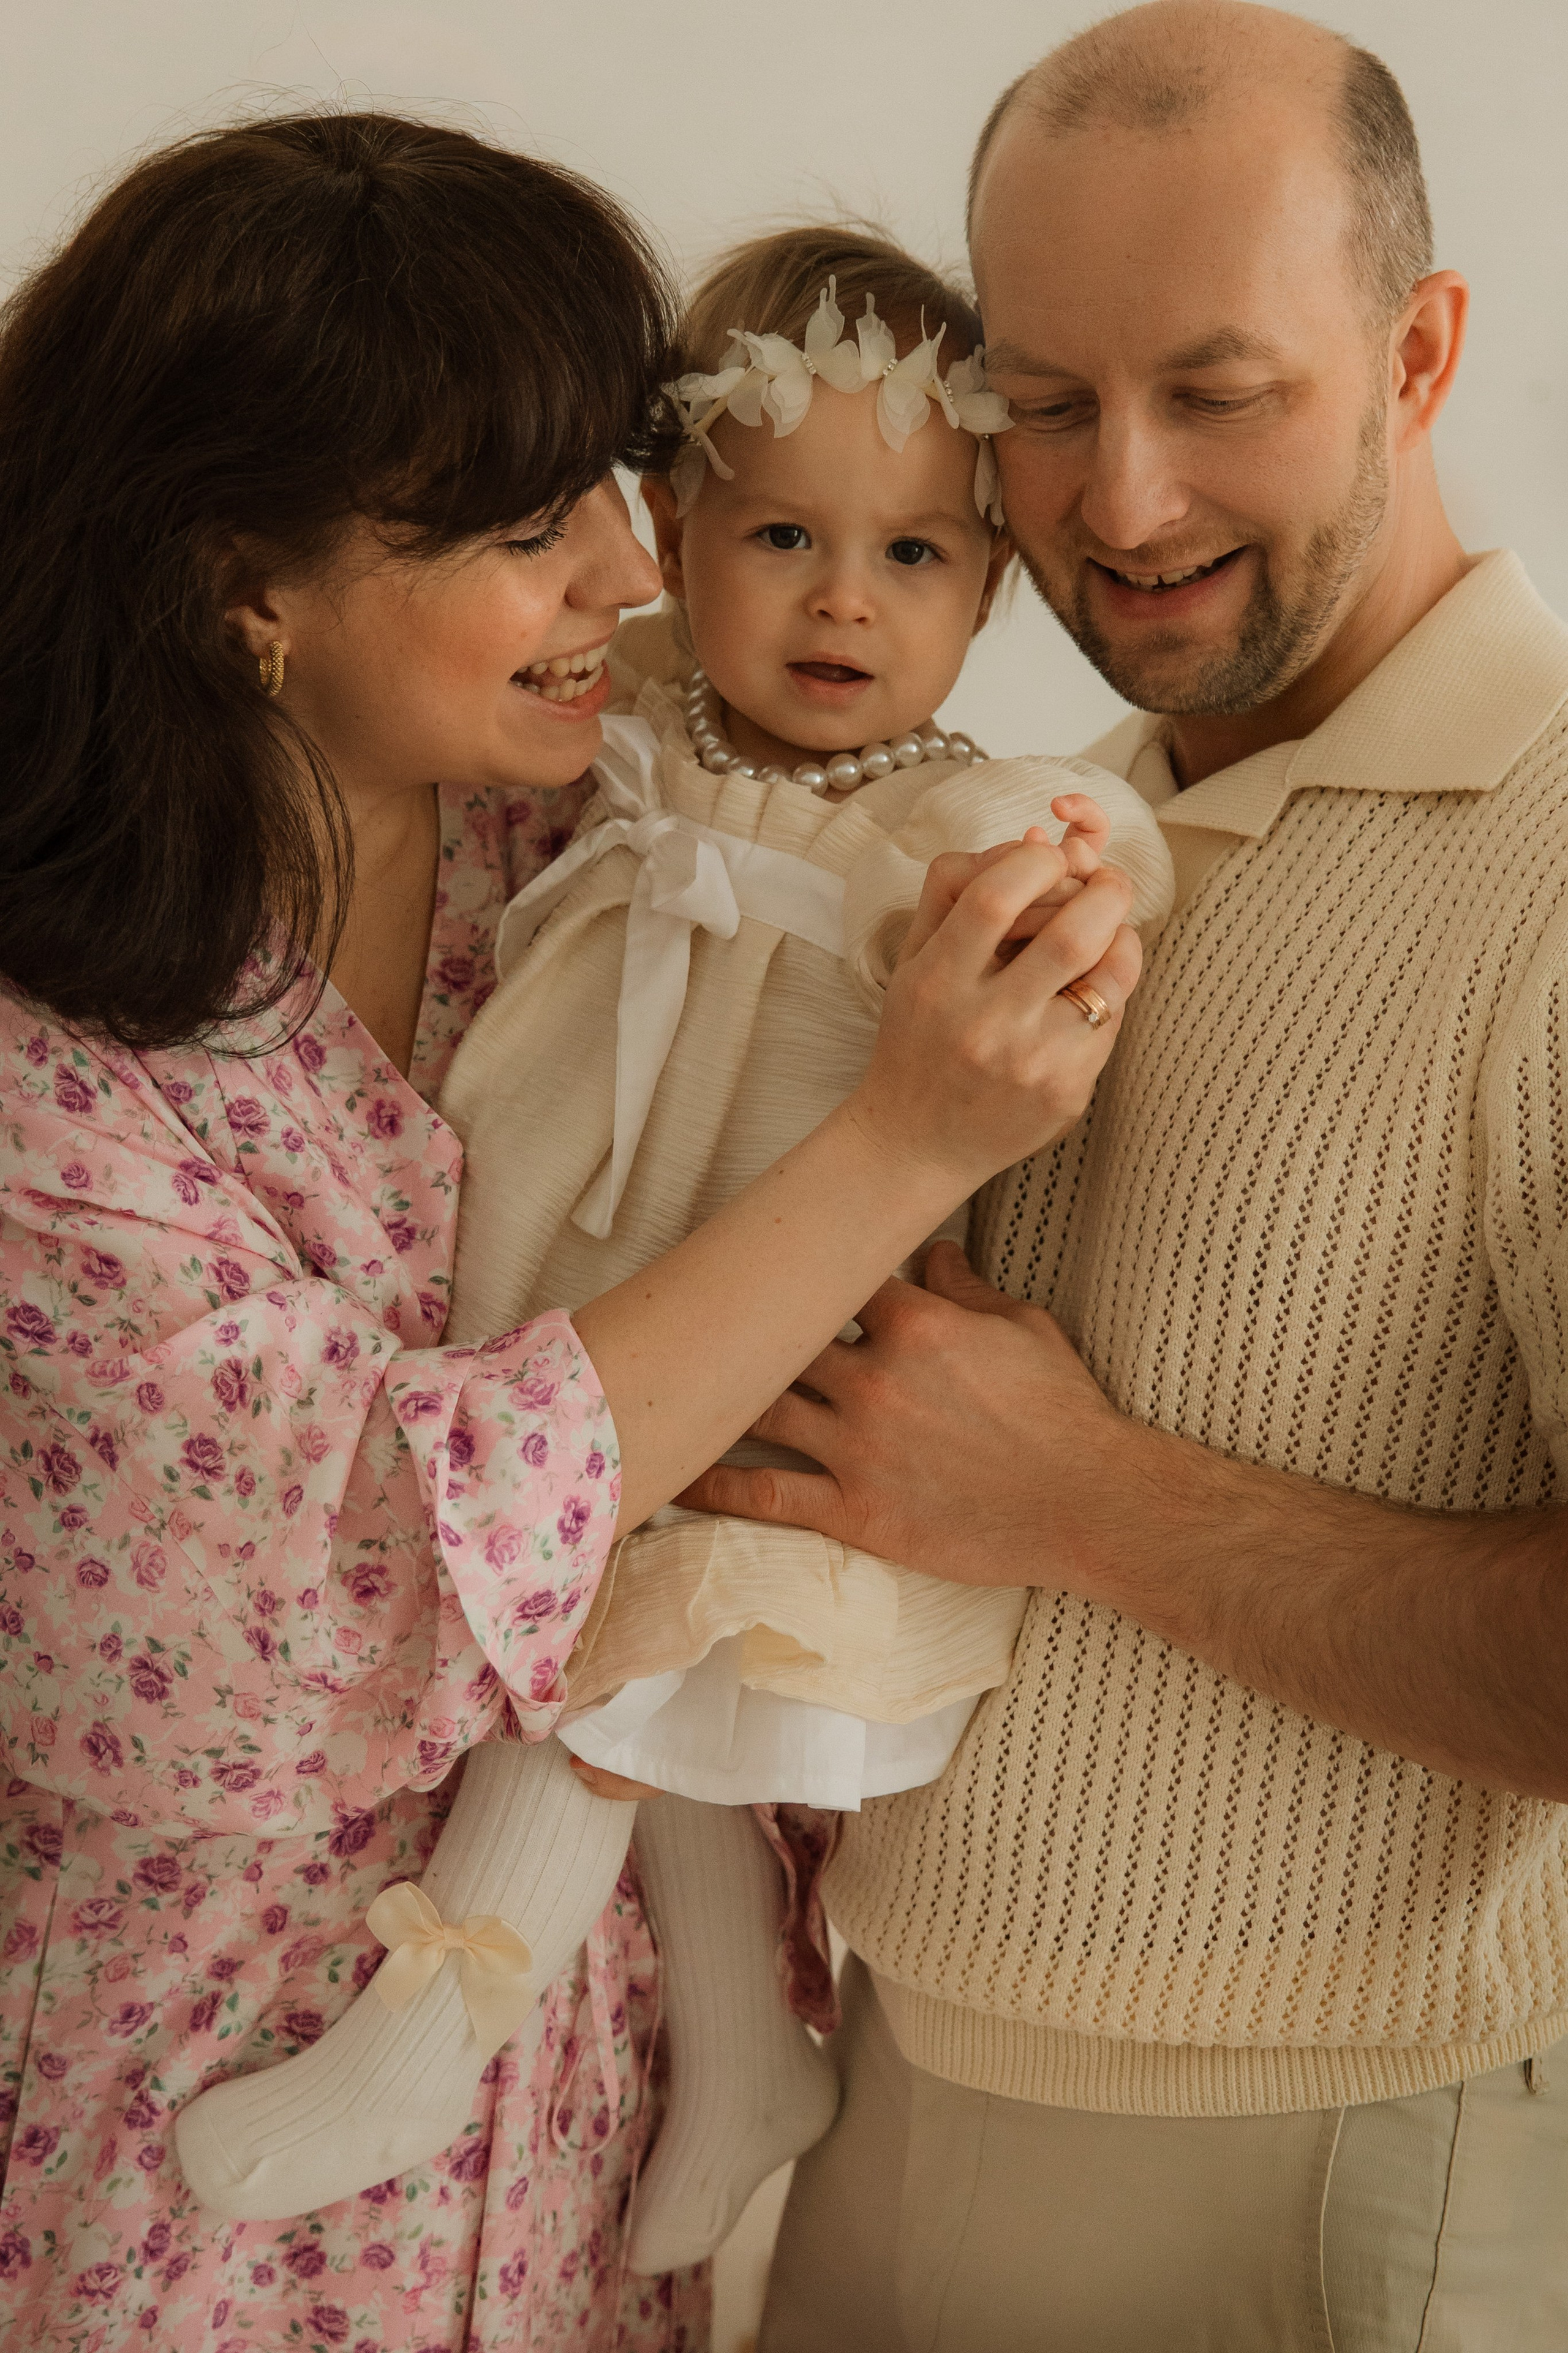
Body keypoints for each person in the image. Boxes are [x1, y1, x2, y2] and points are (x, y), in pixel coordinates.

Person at [0, 116, 1140, 2351]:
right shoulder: (51, 1077)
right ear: (244, 582)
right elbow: (330, 1595)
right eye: (530, 526)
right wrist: (898, 1151)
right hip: (191, 2198)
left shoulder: (586, 845)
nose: (632, 566)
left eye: (616, 489)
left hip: (584, 2182)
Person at [709, 9, 1568, 2349]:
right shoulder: (1042, 819)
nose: (1122, 498)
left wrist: (1080, 1495)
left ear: (1420, 356)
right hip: (882, 2081)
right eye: (1047, 400)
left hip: (1321, 2178)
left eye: (1219, 392)